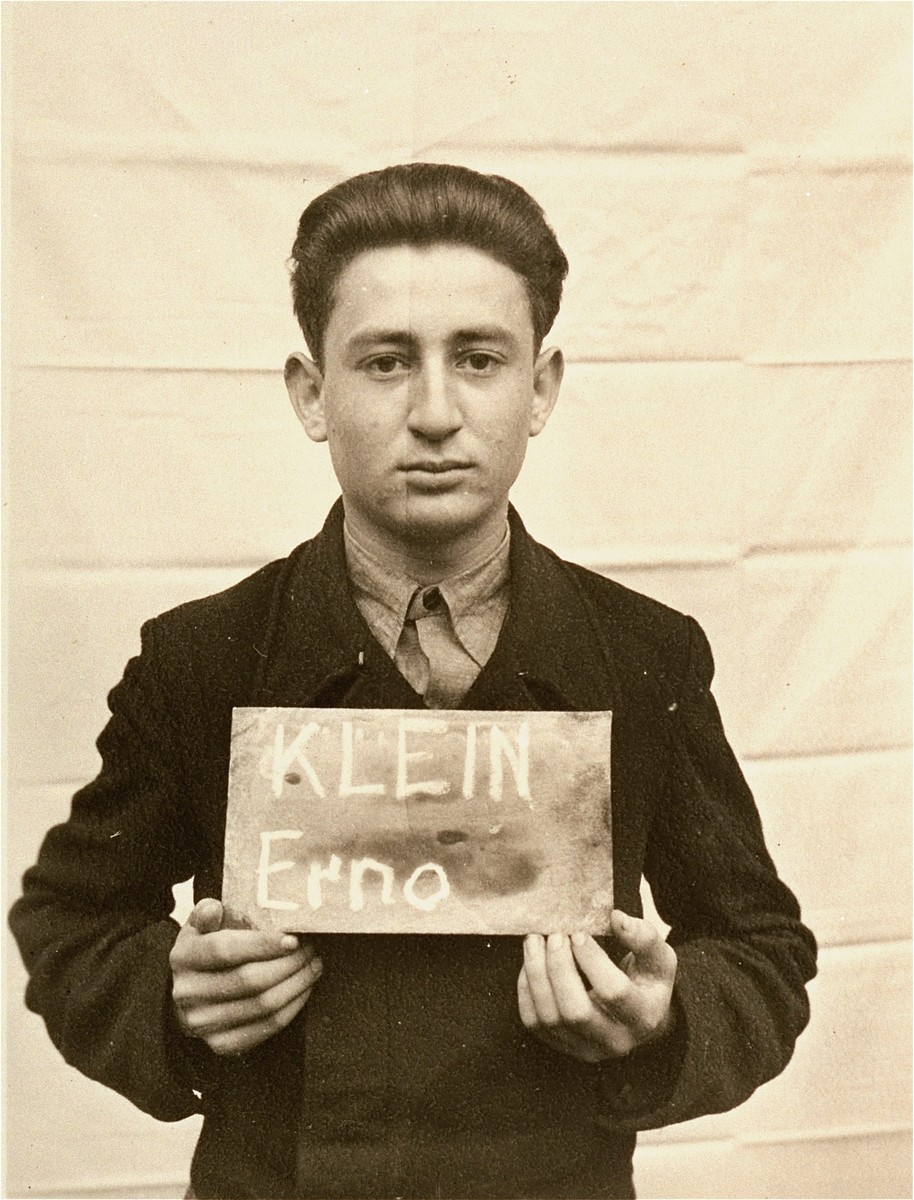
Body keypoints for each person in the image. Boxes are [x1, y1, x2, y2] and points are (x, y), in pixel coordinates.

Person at [10, 162, 817, 1200]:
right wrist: (166, 992)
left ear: (541, 388)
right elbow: (69, 923)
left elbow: (761, 952)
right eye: (385, 363)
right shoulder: (200, 659)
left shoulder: (643, 656)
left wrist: (664, 1012)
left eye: (478, 359)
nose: (435, 412)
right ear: (312, 393)